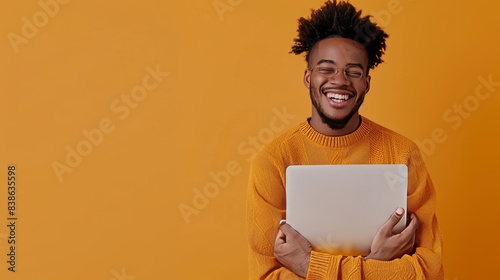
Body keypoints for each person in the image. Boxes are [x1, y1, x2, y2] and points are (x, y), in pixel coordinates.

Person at [245, 1, 444, 279]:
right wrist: (377, 261)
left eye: (354, 72)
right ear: (308, 77)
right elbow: (267, 276)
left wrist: (307, 267)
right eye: (326, 68)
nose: (340, 80)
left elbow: (430, 271)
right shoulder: (273, 162)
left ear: (366, 83)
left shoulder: (403, 153)